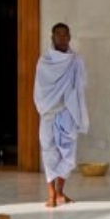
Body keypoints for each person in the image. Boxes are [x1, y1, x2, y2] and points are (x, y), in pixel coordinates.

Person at [34, 22, 89, 207]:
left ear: (70, 37)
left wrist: (72, 104)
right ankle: (50, 193)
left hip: (68, 111)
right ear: (52, 37)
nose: (62, 38)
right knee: (49, 150)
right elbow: (41, 91)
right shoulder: (44, 61)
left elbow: (80, 87)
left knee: (67, 151)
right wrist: (51, 104)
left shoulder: (76, 60)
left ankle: (60, 192)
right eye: (59, 34)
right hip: (49, 113)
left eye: (66, 35)